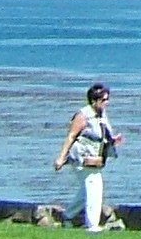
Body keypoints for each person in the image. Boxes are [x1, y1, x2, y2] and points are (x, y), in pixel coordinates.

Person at [52, 83, 123, 230]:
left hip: (96, 159)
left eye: (107, 99)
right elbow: (71, 136)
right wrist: (61, 157)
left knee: (86, 191)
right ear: (94, 100)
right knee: (94, 188)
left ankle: (68, 216)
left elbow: (102, 134)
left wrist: (113, 140)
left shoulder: (101, 115)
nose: (107, 102)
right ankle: (92, 226)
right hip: (82, 159)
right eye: (103, 100)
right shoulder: (83, 115)